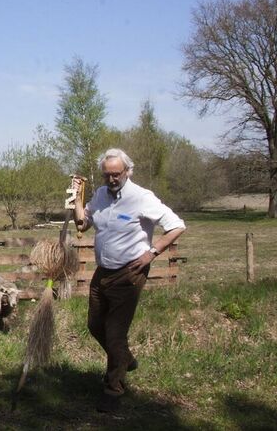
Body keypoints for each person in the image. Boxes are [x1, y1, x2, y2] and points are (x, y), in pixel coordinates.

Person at [73, 148, 186, 413]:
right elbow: (83, 224)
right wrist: (78, 199)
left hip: (129, 273)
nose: (111, 179)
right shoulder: (100, 195)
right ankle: (125, 359)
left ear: (127, 172)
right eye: (106, 174)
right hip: (103, 272)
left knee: (115, 333)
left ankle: (113, 389)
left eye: (116, 174)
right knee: (94, 325)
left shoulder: (142, 198)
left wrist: (152, 252)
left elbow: (177, 225)